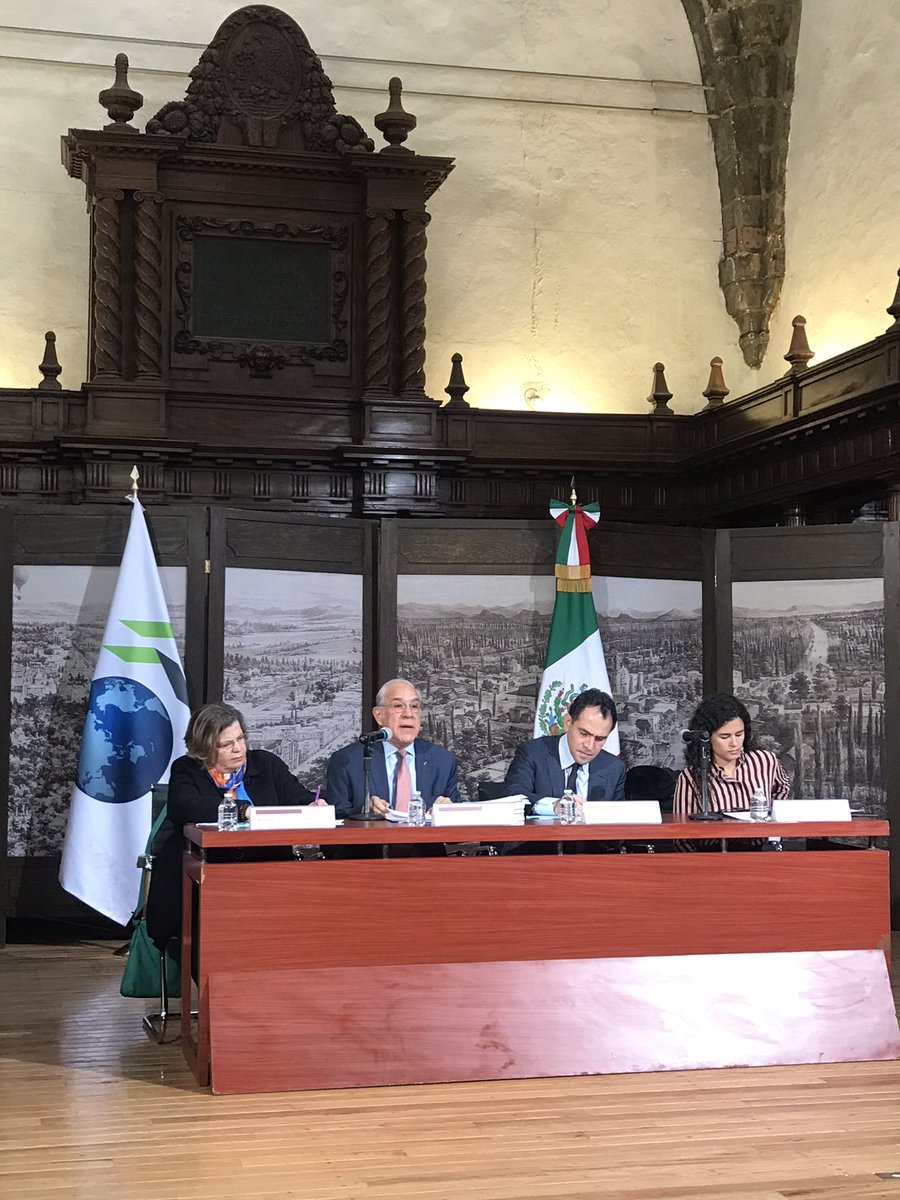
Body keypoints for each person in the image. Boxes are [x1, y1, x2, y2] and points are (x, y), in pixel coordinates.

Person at [146, 702, 317, 949]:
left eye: (240, 739)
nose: (238, 749)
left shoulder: (266, 764)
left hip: (267, 872)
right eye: (226, 744)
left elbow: (299, 799)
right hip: (206, 876)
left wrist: (315, 804)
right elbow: (182, 806)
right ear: (204, 747)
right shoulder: (187, 769)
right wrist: (241, 810)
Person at [325, 678, 460, 818]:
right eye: (398, 706)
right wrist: (364, 810)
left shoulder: (442, 761)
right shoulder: (347, 761)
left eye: (414, 706)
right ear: (379, 715)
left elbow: (459, 821)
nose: (408, 714)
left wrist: (449, 810)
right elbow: (336, 816)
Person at [504, 687, 626, 811]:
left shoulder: (614, 768)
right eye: (584, 734)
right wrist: (554, 807)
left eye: (599, 739)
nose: (589, 746)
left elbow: (618, 818)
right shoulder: (532, 753)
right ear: (568, 723)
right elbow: (514, 796)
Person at [673, 692, 790, 819]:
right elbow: (682, 825)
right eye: (725, 737)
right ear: (707, 737)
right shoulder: (691, 777)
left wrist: (771, 819)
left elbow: (782, 790)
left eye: (739, 734)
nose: (734, 743)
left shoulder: (764, 761)